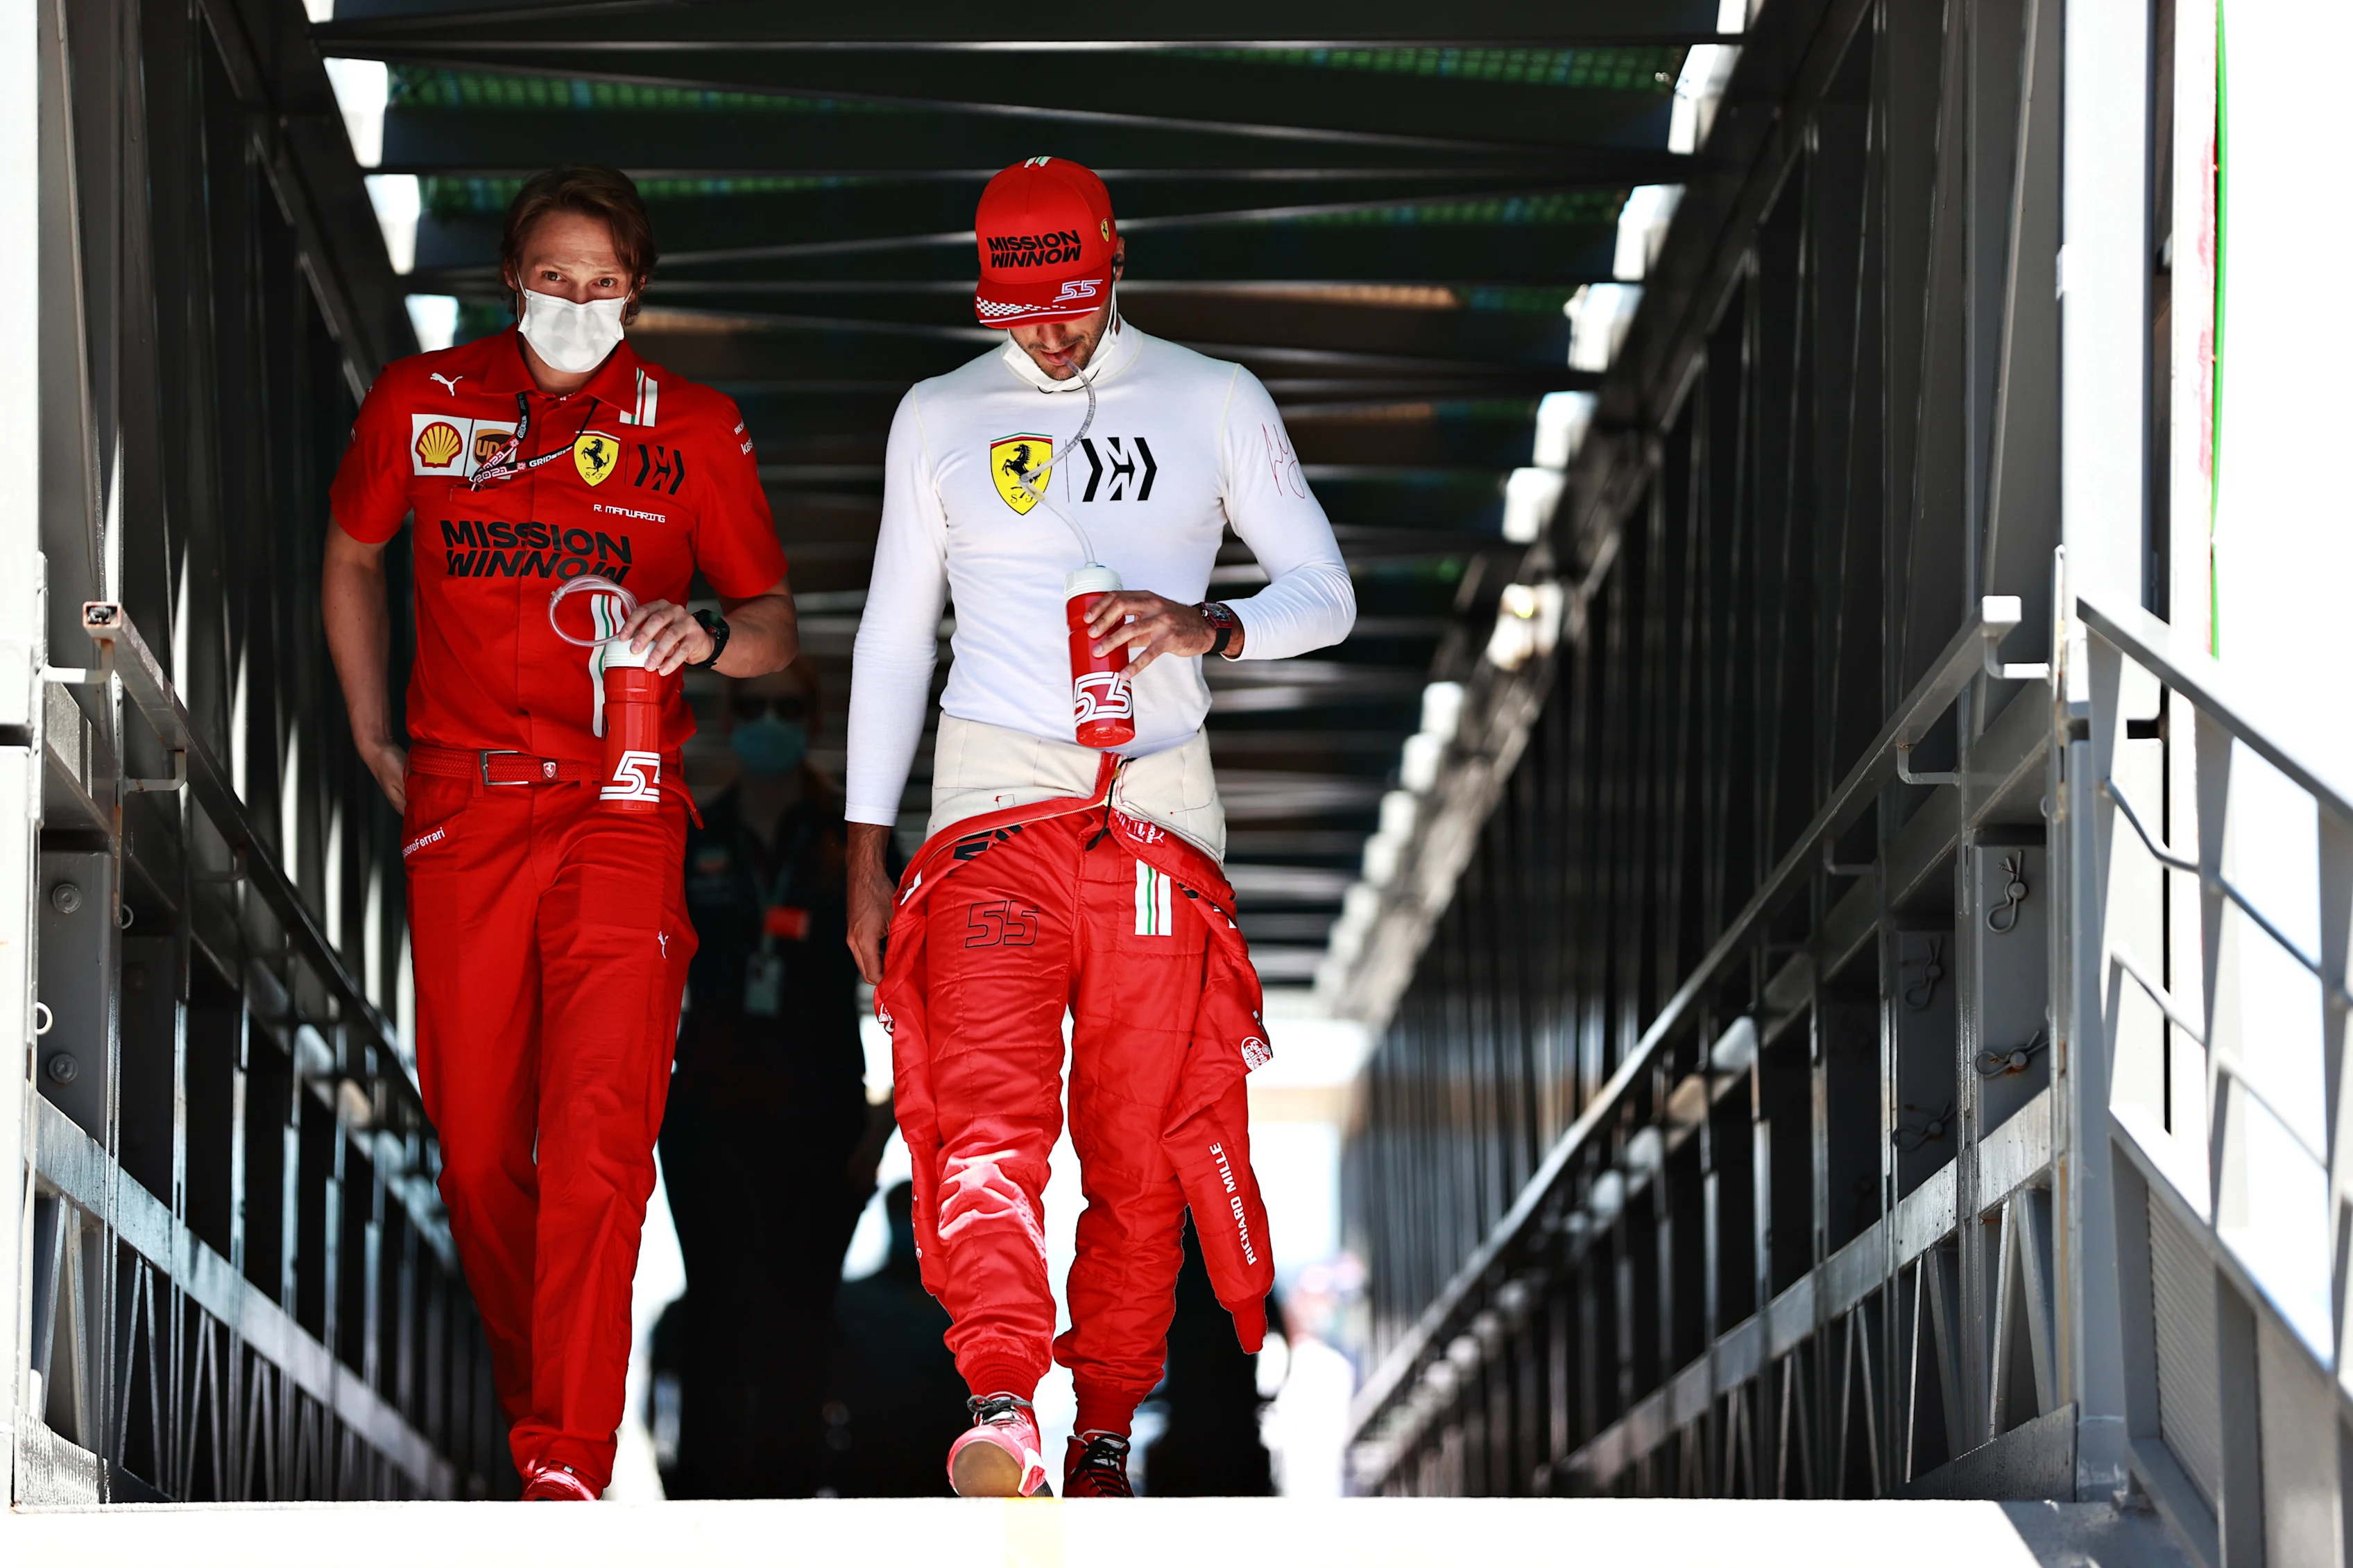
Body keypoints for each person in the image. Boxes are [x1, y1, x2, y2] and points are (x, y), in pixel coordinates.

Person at [845, 156, 1354, 1499]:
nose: (1050, 331)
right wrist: (860, 839)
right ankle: (1004, 1394)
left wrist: (1211, 624)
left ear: (1118, 254)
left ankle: (1105, 1429)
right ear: (984, 291)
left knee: (1140, 1152)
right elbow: (897, 634)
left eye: (1072, 300)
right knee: (982, 1124)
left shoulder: (1213, 395)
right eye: (1020, 308)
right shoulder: (938, 412)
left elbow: (1327, 589)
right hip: (987, 818)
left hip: (1156, 818)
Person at [321, 164, 798, 1501]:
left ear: (638, 292)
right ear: (508, 280)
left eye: (603, 285)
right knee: (477, 1151)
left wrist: (702, 630)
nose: (577, 304)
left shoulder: (696, 430)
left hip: (624, 804)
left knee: (596, 1129)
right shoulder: (423, 407)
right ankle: (556, 1416)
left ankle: (564, 1462)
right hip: (461, 808)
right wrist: (371, 730)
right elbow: (354, 551)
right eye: (553, 279)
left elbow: (772, 621)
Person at [660, 662, 891, 1497]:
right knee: (715, 1317)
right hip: (706, 1119)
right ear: (728, 715)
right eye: (751, 706)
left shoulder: (853, 842)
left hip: (820, 1121)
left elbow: (916, 992)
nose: (767, 720)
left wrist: (884, 1124)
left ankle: (790, 1524)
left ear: (813, 719)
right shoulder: (693, 832)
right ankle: (701, 1522)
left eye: (785, 707)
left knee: (797, 1321)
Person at [819, 1182, 972, 1497]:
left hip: (940, 1472)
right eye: (905, 1214)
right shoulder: (850, 1302)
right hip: (873, 1469)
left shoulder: (849, 1301)